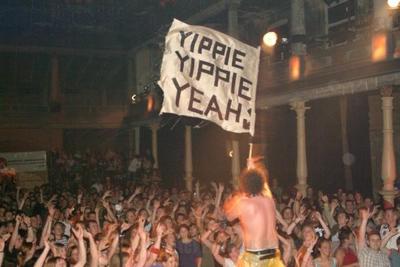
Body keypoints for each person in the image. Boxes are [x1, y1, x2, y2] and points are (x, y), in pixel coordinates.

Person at [223, 158, 284, 266]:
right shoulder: (270, 200)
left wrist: (235, 198)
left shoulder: (244, 203)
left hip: (256, 257)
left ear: (245, 185)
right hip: (274, 255)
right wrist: (253, 169)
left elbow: (228, 216)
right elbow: (264, 186)